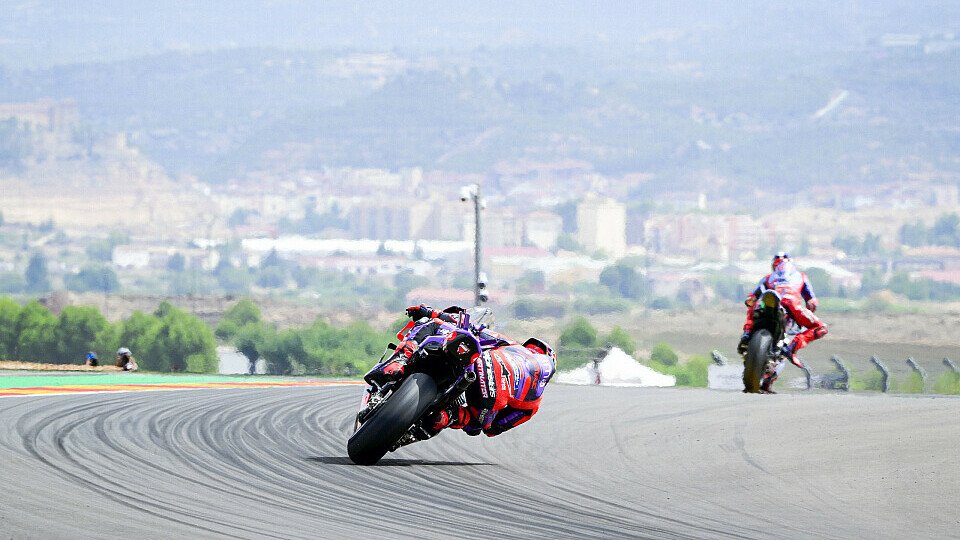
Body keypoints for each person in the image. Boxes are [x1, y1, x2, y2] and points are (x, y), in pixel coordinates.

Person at [376, 304, 556, 437]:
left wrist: (427, 311)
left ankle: (400, 362)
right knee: (476, 424)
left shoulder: (514, 347)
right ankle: (445, 417)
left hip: (486, 362)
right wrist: (480, 419)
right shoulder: (534, 403)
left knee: (431, 323)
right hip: (492, 398)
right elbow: (495, 429)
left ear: (533, 349)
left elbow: (464, 325)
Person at [738, 252, 827, 392]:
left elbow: (751, 298)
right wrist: (806, 312)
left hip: (767, 304)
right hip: (791, 306)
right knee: (821, 328)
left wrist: (752, 300)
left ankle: (747, 333)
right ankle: (792, 348)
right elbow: (812, 303)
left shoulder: (768, 278)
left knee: (753, 305)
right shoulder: (801, 276)